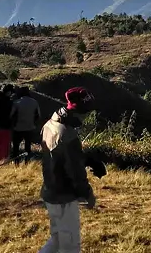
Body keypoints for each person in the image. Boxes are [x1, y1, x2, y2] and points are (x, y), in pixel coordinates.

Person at [38, 87, 97, 253]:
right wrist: (88, 194)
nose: (88, 116)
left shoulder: (50, 124)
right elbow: (76, 173)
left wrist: (84, 158)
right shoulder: (68, 135)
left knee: (57, 239)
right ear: (79, 111)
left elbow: (59, 156)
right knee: (70, 246)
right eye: (87, 111)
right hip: (63, 196)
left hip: (50, 190)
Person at [11, 86, 42, 162]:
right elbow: (38, 115)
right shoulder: (34, 102)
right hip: (30, 127)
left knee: (16, 147)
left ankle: (16, 162)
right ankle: (27, 162)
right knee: (27, 147)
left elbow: (11, 115)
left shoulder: (17, 102)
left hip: (18, 128)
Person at [0, 85, 15, 164]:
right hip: (6, 125)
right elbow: (11, 114)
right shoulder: (9, 102)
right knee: (5, 144)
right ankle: (5, 160)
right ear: (8, 92)